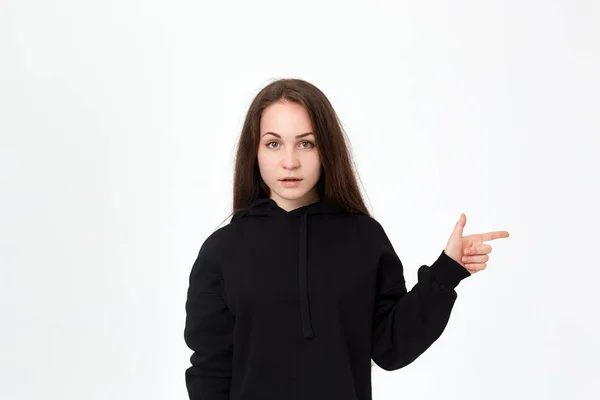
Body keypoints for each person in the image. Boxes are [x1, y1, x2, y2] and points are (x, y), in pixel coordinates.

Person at [183, 78, 509, 400]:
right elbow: (209, 371)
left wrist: (447, 271)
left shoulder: (364, 239)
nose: (290, 161)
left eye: (306, 143)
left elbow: (390, 348)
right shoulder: (222, 251)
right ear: (254, 152)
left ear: (327, 149)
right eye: (273, 143)